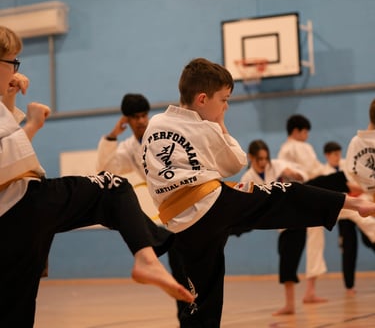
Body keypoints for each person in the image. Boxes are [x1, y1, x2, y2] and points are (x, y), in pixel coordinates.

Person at [141, 57, 375, 327]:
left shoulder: (155, 123)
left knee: (203, 298)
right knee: (284, 194)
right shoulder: (204, 127)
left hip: (180, 223)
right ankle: (353, 203)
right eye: (224, 100)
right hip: (211, 204)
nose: (226, 106)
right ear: (203, 99)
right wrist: (220, 124)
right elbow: (236, 162)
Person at [0, 26, 194, 328]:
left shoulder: (165, 136)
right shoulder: (127, 144)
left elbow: (7, 140)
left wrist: (10, 97)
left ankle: (157, 249)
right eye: (13, 61)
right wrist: (34, 124)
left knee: (15, 308)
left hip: (15, 218)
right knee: (113, 187)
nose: (16, 70)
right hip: (23, 204)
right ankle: (149, 255)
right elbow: (104, 168)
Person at [240, 139, 308, 315]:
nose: (263, 162)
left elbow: (303, 175)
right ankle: (290, 304)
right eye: (259, 159)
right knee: (285, 258)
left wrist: (294, 173)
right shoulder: (247, 178)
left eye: (265, 158)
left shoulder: (277, 165)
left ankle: (290, 305)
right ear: (251, 158)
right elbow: (243, 202)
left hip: (295, 219)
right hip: (275, 221)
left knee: (287, 261)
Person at [278, 114, 328, 305]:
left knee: (308, 243)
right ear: (296, 131)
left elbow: (314, 169)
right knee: (313, 241)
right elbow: (308, 171)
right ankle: (309, 290)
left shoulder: (293, 149)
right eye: (305, 131)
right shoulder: (294, 148)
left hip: (303, 199)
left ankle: (307, 292)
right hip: (306, 198)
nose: (307, 135)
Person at [323, 141, 375, 295]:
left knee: (369, 239)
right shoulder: (324, 172)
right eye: (333, 155)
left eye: (339, 153)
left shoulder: (347, 165)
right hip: (344, 212)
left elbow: (359, 180)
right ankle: (349, 286)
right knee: (348, 247)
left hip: (360, 205)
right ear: (327, 156)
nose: (337, 157)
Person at [96, 93, 150, 180]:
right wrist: (113, 135)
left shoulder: (161, 133)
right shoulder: (129, 148)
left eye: (144, 115)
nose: (141, 121)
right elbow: (106, 170)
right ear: (126, 119)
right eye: (136, 117)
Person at [346, 98, 375, 198]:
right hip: (364, 198)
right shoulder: (357, 142)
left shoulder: (355, 141)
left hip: (363, 198)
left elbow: (350, 174)